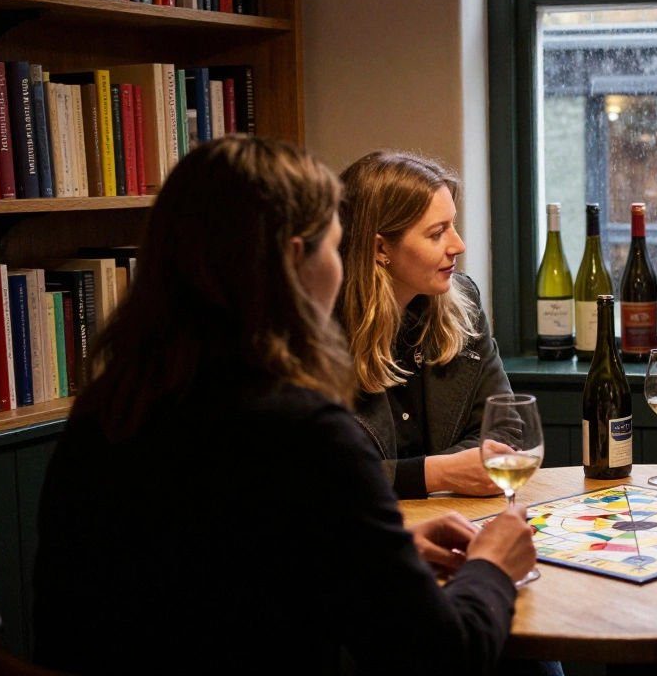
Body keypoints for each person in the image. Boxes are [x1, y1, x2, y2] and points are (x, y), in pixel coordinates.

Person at [32, 136, 537, 675]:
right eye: (335, 247)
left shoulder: (107, 409)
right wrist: (491, 564)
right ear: (298, 259)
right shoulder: (301, 429)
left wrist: (378, 545)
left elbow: (223, 571)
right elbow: (443, 655)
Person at [336, 150, 508, 499]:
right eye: (436, 234)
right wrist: (434, 475)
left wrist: (420, 476)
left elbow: (506, 428)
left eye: (453, 225)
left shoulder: (464, 301)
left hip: (450, 519)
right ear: (380, 247)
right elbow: (314, 472)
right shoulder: (319, 332)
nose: (458, 245)